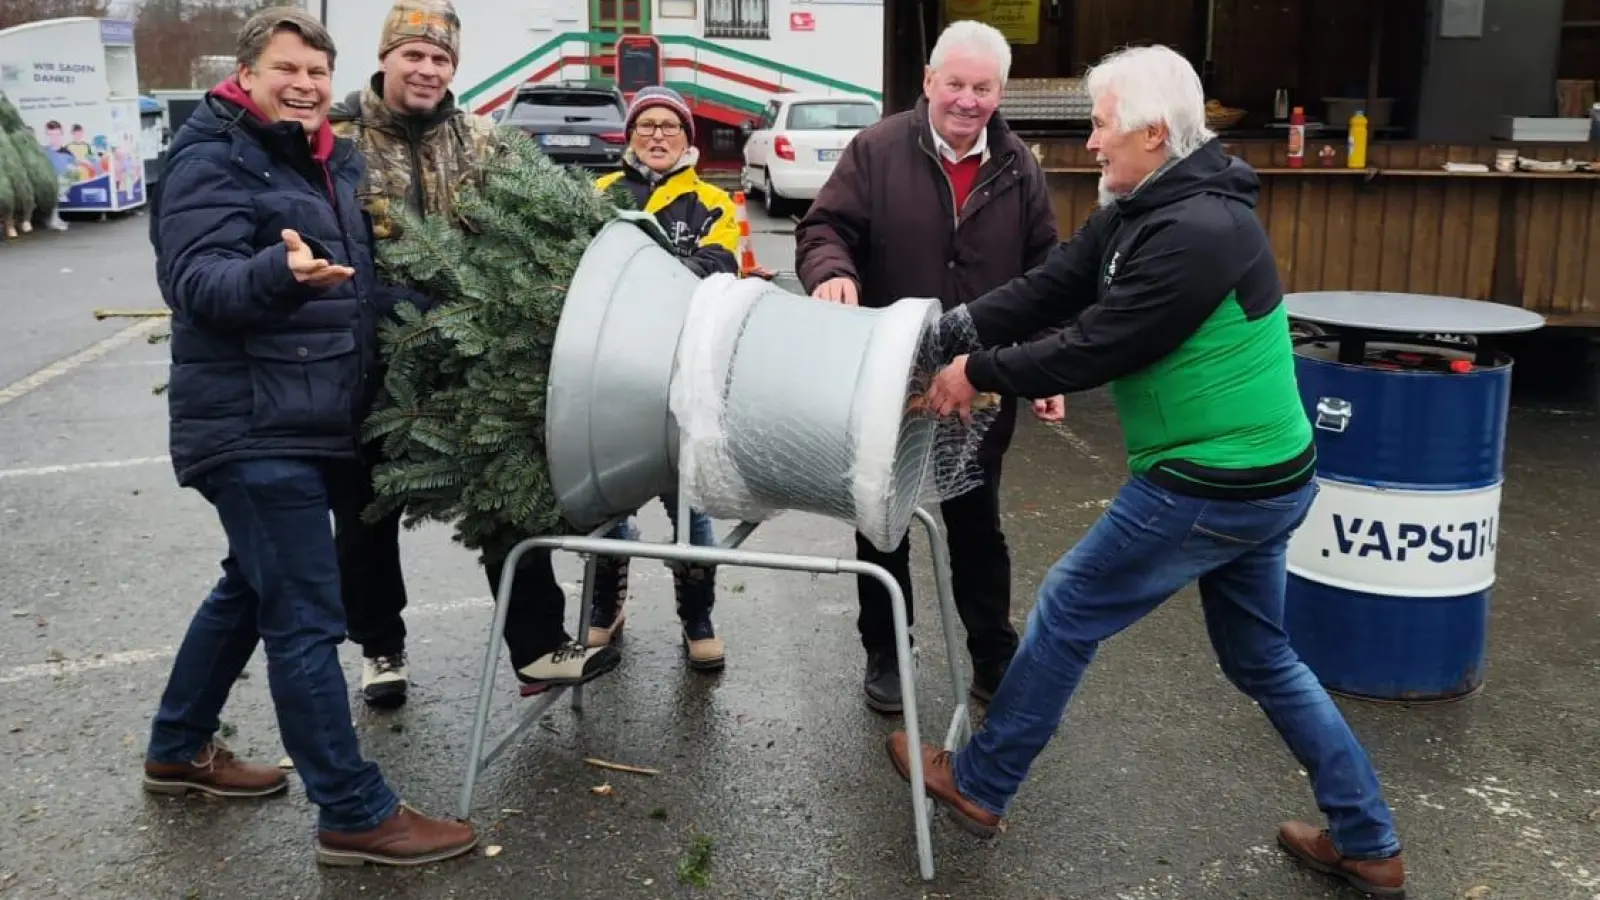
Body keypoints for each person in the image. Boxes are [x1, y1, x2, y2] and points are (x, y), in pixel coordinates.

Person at [884, 44, 1406, 898]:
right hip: (1258, 477)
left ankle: (980, 783)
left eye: (1100, 127)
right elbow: (1057, 284)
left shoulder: (1201, 230)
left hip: (1213, 483)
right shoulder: (1143, 204)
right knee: (1261, 658)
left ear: (1155, 135)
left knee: (1067, 608)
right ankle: (1368, 840)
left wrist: (975, 375)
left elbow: (1103, 342)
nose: (1090, 144)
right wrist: (952, 331)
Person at [141, 6, 477, 866]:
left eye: (317, 74)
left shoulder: (323, 159)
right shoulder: (213, 156)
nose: (303, 85)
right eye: (286, 69)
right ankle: (354, 813)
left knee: (251, 589)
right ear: (246, 75)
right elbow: (195, 281)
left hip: (305, 417)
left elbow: (358, 291)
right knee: (303, 614)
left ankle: (179, 747)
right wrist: (273, 272)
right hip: (253, 422)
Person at [328, 0, 619, 704]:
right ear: (386, 57)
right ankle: (381, 648)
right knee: (365, 510)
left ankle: (539, 646)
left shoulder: (483, 138)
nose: (427, 69)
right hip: (365, 357)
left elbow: (530, 219)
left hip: (471, 353)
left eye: (441, 59)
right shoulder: (337, 140)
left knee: (507, 496)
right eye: (414, 55)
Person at [794, 20, 1064, 714]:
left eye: (983, 88)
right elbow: (823, 228)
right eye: (956, 84)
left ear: (1000, 92)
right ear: (928, 83)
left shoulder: (1018, 167)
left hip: (978, 381)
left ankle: (991, 657)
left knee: (978, 525)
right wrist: (830, 273)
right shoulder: (877, 149)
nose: (968, 100)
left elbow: (1048, 273)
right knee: (880, 520)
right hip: (886, 376)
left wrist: (1046, 367)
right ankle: (886, 651)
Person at [585, 86, 739, 670]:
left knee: (690, 503)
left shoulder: (711, 203)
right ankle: (606, 606)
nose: (656, 135)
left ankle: (697, 616)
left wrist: (641, 275)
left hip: (682, 376)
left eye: (669, 127)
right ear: (629, 135)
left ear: (687, 139)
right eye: (645, 125)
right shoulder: (597, 197)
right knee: (605, 501)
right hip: (608, 375)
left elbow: (719, 267)